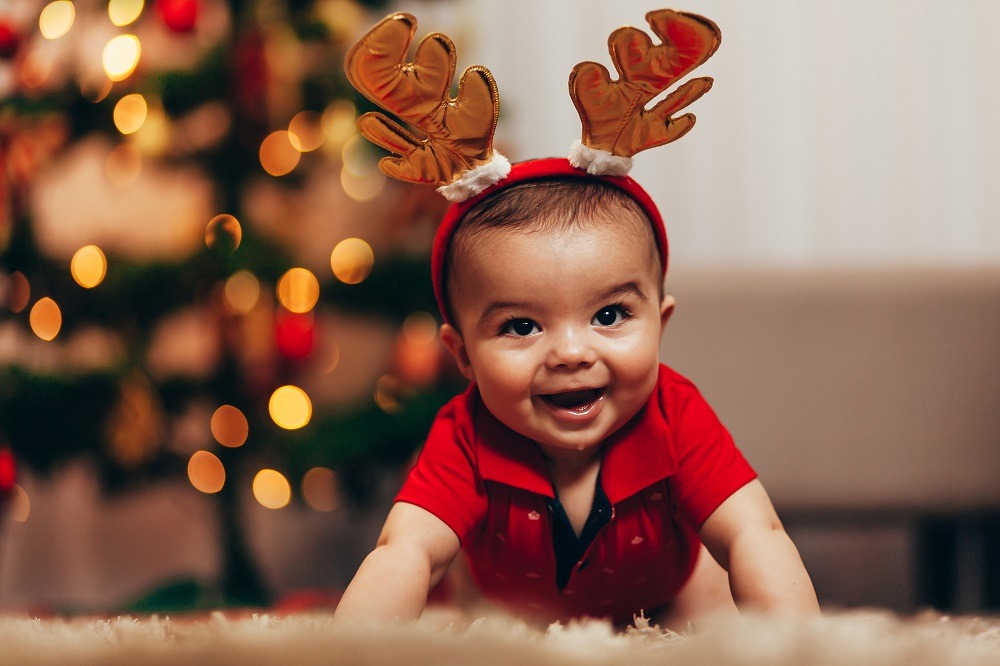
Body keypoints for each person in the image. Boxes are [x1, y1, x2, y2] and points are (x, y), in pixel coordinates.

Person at [334, 9, 819, 629]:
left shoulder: (675, 415)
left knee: (710, 602)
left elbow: (756, 531)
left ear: (661, 323)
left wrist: (800, 644)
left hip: (665, 595)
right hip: (515, 611)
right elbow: (404, 553)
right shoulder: (467, 434)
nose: (569, 353)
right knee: (473, 627)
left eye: (610, 314)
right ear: (461, 355)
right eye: (520, 326)